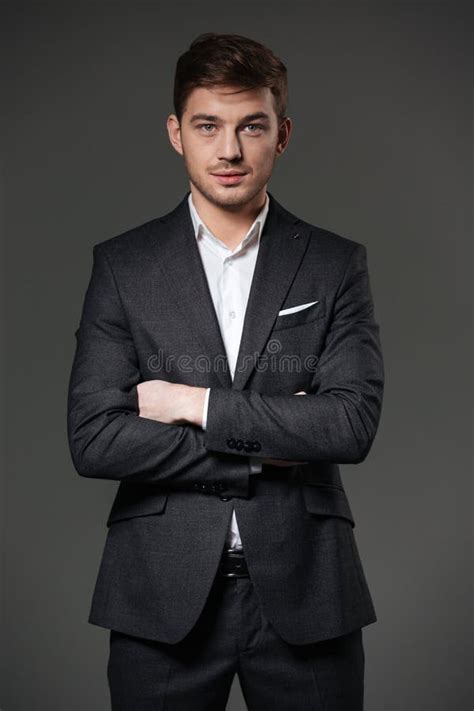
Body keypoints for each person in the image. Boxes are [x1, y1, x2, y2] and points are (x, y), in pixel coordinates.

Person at [67, 31, 384, 711]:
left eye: (252, 126)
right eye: (209, 126)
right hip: (158, 594)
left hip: (308, 589)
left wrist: (192, 402)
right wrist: (270, 446)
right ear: (177, 133)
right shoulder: (123, 266)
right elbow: (94, 437)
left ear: (284, 133)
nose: (231, 149)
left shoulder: (334, 263)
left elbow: (350, 424)